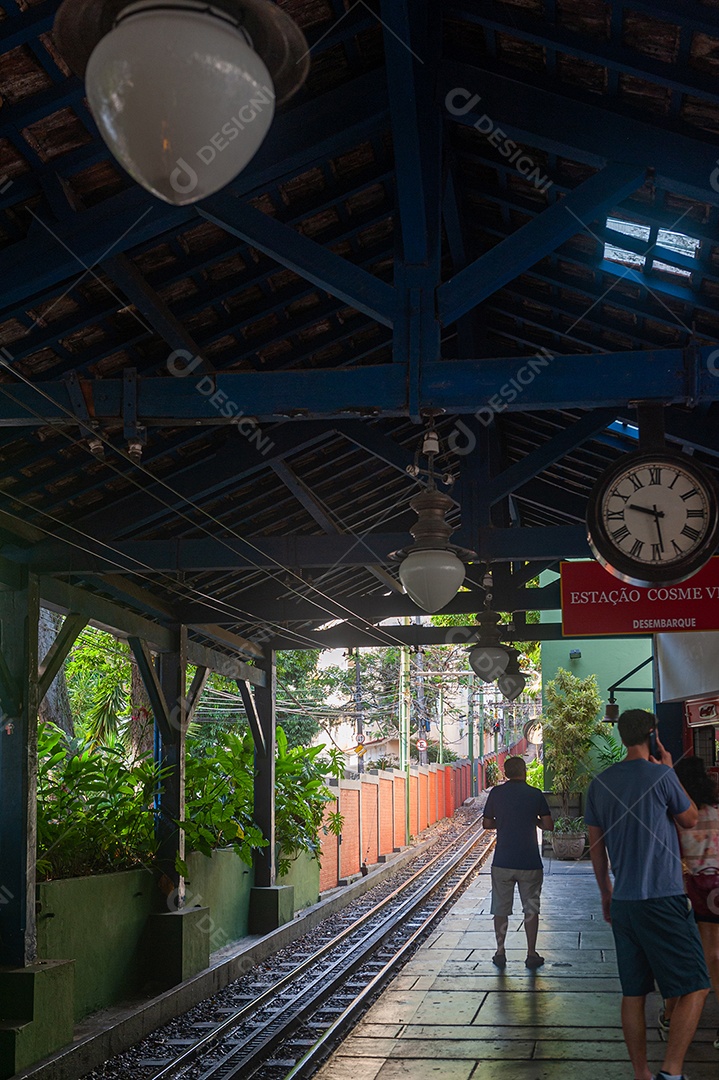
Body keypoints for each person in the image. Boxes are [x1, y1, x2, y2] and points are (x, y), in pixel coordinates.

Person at [585, 709, 710, 1080]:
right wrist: (670, 770)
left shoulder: (600, 782)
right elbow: (690, 819)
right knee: (697, 986)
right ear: (652, 735)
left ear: (621, 736)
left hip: (624, 902)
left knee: (633, 993)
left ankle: (640, 1073)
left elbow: (596, 847)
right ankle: (670, 1072)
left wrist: (606, 892)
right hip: (663, 898)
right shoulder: (661, 775)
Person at [482, 755, 554, 969]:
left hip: (502, 860)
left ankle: (500, 951)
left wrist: (504, 821)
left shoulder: (496, 793)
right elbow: (548, 825)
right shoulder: (535, 794)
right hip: (530, 861)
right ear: (524, 772)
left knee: (500, 909)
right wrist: (533, 819)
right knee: (531, 909)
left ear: (505, 773)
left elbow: (487, 823)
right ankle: (531, 953)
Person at [672, 756, 719, 1051]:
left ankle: (686, 1017)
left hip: (698, 891)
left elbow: (677, 859)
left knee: (707, 957)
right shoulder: (717, 811)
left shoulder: (680, 818)